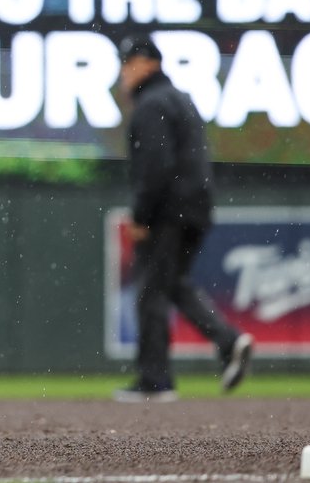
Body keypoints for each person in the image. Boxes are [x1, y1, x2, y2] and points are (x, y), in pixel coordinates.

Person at [113, 34, 253, 404]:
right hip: (195, 208)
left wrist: (142, 214)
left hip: (167, 212)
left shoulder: (151, 104)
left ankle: (155, 381)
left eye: (127, 65)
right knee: (172, 284)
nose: (123, 74)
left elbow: (155, 166)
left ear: (146, 63)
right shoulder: (180, 99)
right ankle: (228, 340)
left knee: (150, 293)